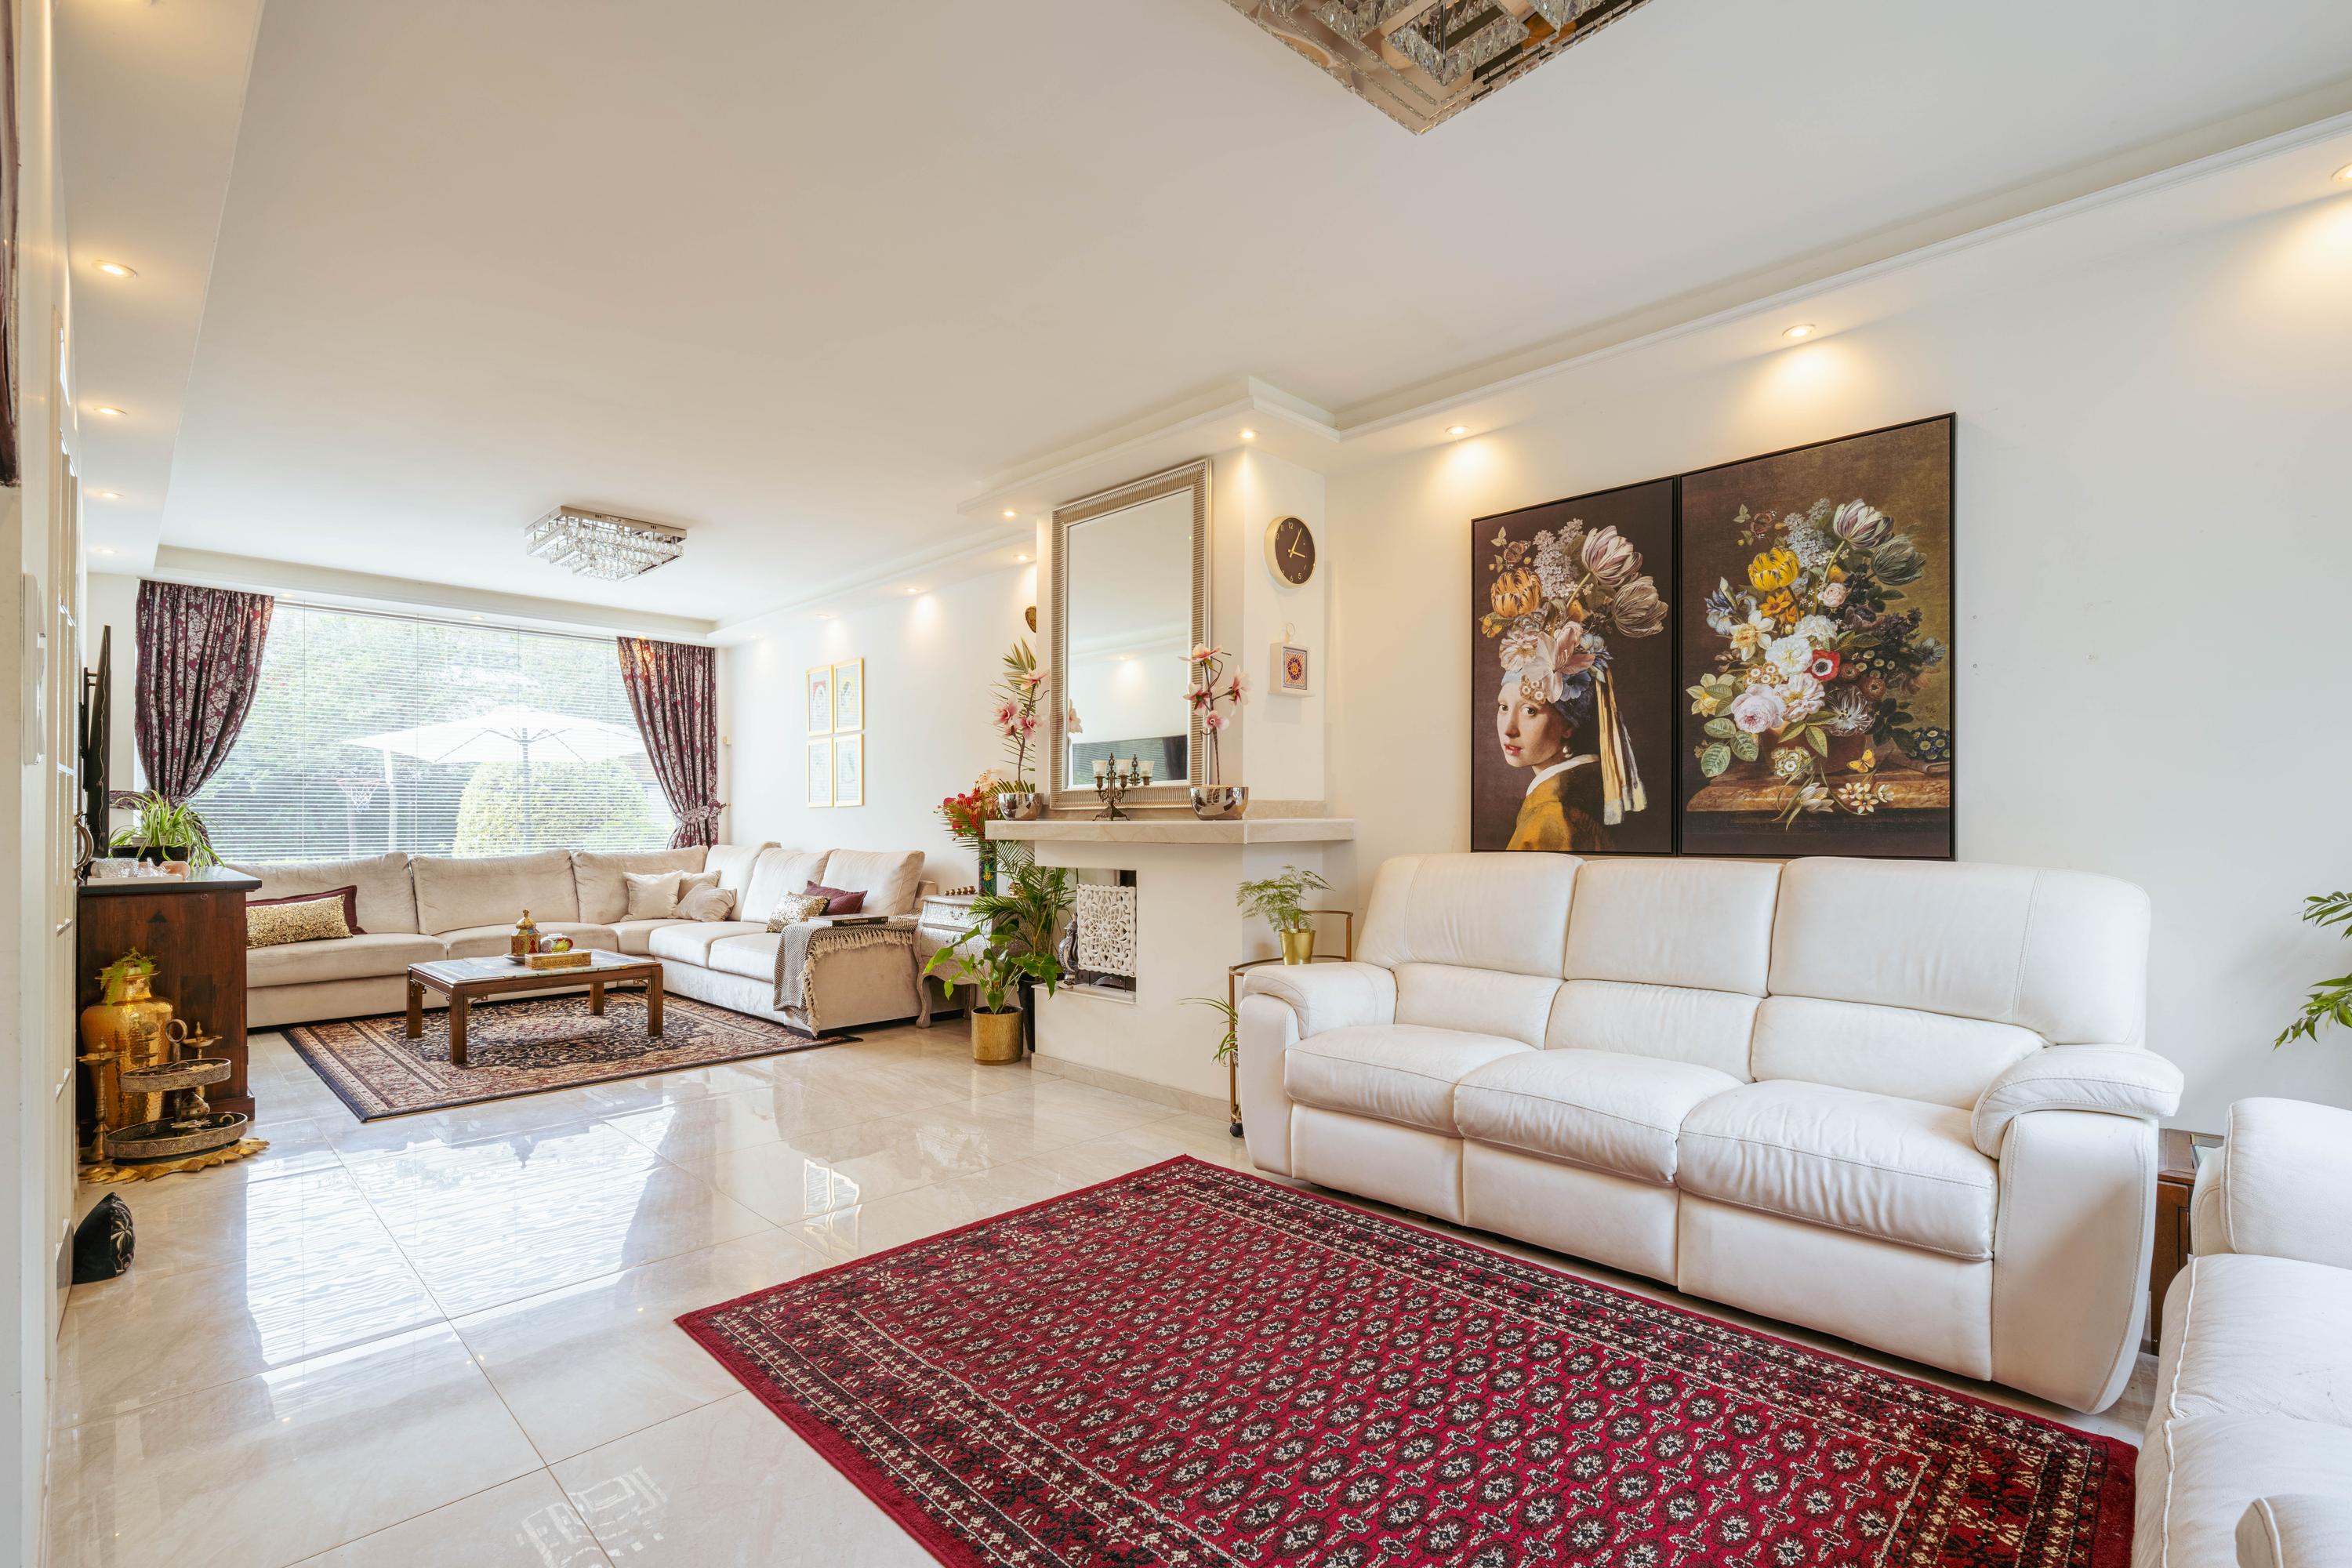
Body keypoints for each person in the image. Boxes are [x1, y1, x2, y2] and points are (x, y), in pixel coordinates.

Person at [1495, 672, 1610, 851]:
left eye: (1530, 711)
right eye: (1504, 707)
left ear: (1568, 725)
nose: (1509, 730)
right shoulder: (1592, 778)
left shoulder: (1554, 810)